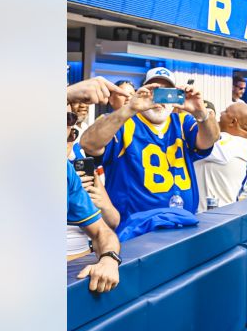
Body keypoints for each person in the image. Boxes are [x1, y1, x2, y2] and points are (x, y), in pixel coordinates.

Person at [78, 67, 219, 225]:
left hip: (183, 223)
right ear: (142, 92)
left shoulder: (182, 122)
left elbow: (209, 140)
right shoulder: (122, 123)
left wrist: (202, 113)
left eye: (166, 93)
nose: (159, 100)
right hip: (135, 230)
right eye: (154, 91)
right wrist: (130, 108)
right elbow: (88, 144)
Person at [68, 161, 122, 294]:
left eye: (72, 138)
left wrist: (109, 259)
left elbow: (102, 231)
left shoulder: (67, 172)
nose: (68, 141)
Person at [193, 101, 247, 210]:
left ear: (233, 122)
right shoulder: (242, 144)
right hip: (220, 212)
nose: (221, 113)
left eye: (225, 112)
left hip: (214, 216)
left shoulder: (231, 144)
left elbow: (198, 140)